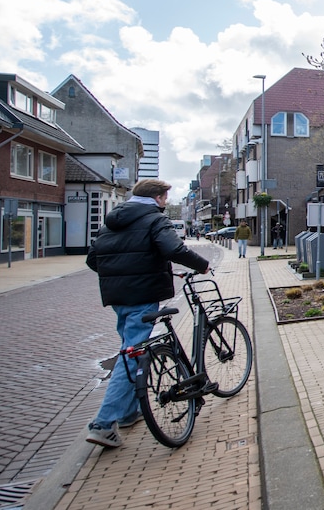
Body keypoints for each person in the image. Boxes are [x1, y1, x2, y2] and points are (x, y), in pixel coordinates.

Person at [84, 178, 210, 449]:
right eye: (165, 197)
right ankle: (103, 424)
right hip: (142, 296)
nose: (165, 202)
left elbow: (93, 259)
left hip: (118, 298)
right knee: (132, 356)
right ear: (158, 198)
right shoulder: (155, 219)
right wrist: (202, 265)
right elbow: (174, 249)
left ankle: (128, 413)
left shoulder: (111, 221)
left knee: (129, 351)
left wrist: (121, 275)